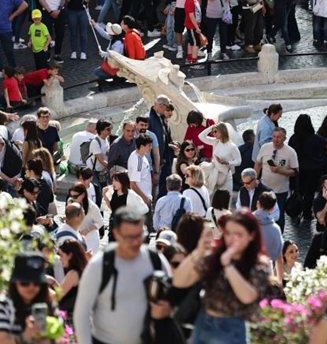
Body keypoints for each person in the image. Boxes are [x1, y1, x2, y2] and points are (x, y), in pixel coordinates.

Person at [172, 210, 276, 344]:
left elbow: (248, 296)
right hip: (204, 320)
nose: (231, 239)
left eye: (238, 234)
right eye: (227, 233)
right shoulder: (215, 257)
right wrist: (197, 253)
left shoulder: (259, 264)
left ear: (251, 235)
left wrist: (228, 266)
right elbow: (179, 282)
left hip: (231, 326)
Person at [73, 206, 172, 344]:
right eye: (130, 237)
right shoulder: (100, 265)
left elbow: (172, 300)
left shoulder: (156, 261)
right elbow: (82, 313)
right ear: (116, 233)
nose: (136, 242)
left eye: (139, 236)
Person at [0, 251, 61, 343]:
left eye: (37, 282)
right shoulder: (4, 305)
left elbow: (61, 336)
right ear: (15, 282)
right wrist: (25, 336)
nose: (31, 287)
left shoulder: (49, 302)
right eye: (25, 283)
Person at [199, 123, 242, 194]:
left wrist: (228, 163)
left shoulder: (232, 146)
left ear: (222, 131)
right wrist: (212, 127)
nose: (213, 134)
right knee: (214, 199)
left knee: (227, 199)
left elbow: (238, 161)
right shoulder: (215, 141)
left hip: (225, 175)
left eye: (215, 131)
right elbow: (201, 136)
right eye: (213, 132)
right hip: (214, 174)